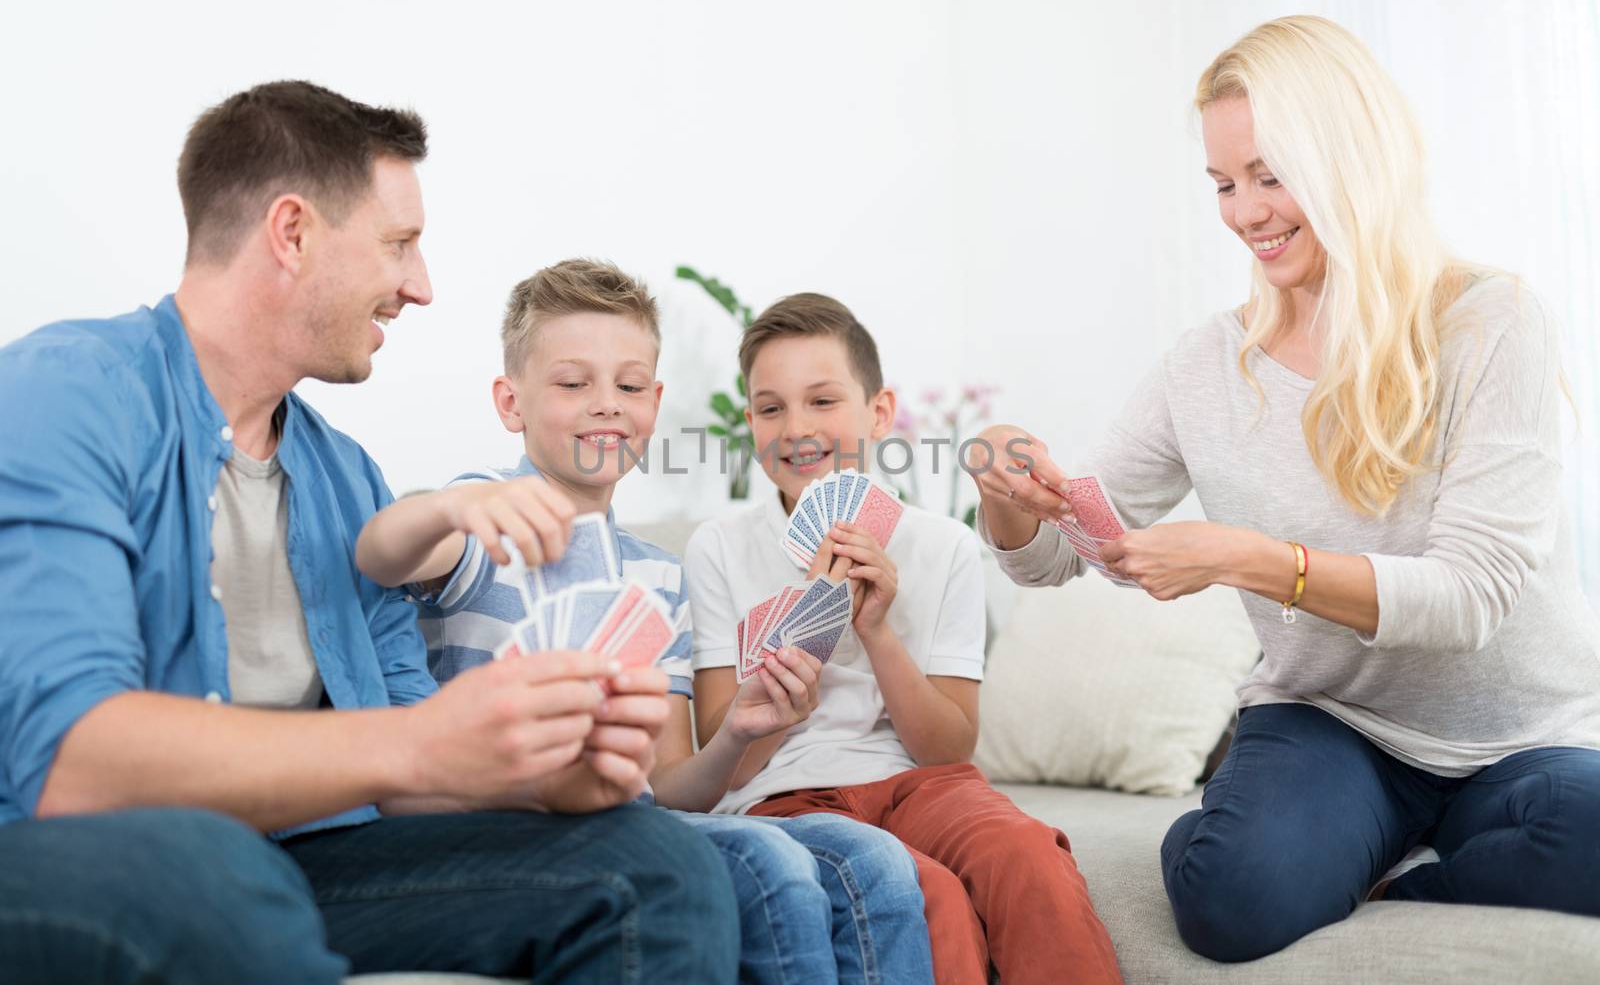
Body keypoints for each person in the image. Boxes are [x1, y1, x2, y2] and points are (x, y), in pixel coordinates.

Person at [0, 81, 737, 984]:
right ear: (294, 232)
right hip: (88, 856)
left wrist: (534, 778)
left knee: (659, 865)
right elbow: (70, 764)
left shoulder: (347, 476)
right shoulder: (65, 392)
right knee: (215, 876)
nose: (419, 287)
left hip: (302, 859)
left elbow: (396, 753)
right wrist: (422, 744)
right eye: (398, 244)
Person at [965, 15, 1600, 963]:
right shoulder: (1208, 366)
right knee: (1237, 897)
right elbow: (1062, 553)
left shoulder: (1489, 322)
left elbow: (1473, 594)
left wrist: (1256, 562)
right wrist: (1007, 488)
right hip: (1330, 724)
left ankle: (1398, 868)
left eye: (1270, 174)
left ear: (1352, 162)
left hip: (1521, 738)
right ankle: (1308, 829)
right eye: (1224, 183)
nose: (1244, 211)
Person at [357, 258, 935, 985]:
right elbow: (379, 553)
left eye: (629, 386)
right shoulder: (477, 519)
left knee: (872, 857)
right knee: (773, 860)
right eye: (573, 384)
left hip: (632, 816)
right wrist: (450, 508)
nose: (606, 404)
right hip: (511, 823)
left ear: (654, 402)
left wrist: (740, 731)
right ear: (512, 402)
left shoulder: (657, 574)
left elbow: (670, 785)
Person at [685, 292, 1124, 985]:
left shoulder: (943, 544)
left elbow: (949, 745)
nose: (797, 427)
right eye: (771, 408)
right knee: (931, 897)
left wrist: (876, 629)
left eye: (823, 401)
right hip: (788, 793)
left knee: (1028, 854)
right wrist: (813, 630)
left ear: (878, 413)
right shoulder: (718, 547)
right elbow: (723, 760)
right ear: (750, 423)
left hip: (921, 779)